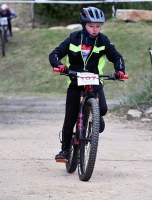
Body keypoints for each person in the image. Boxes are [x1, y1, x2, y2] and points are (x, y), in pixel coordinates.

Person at [49, 6, 126, 162]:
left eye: (98, 26)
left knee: (103, 109)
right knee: (70, 117)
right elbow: (55, 54)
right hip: (75, 81)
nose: (95, 29)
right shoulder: (73, 38)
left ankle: (95, 116)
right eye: (91, 26)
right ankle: (64, 150)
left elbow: (117, 57)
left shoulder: (103, 40)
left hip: (95, 81)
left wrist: (120, 70)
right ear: (83, 25)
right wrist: (59, 65)